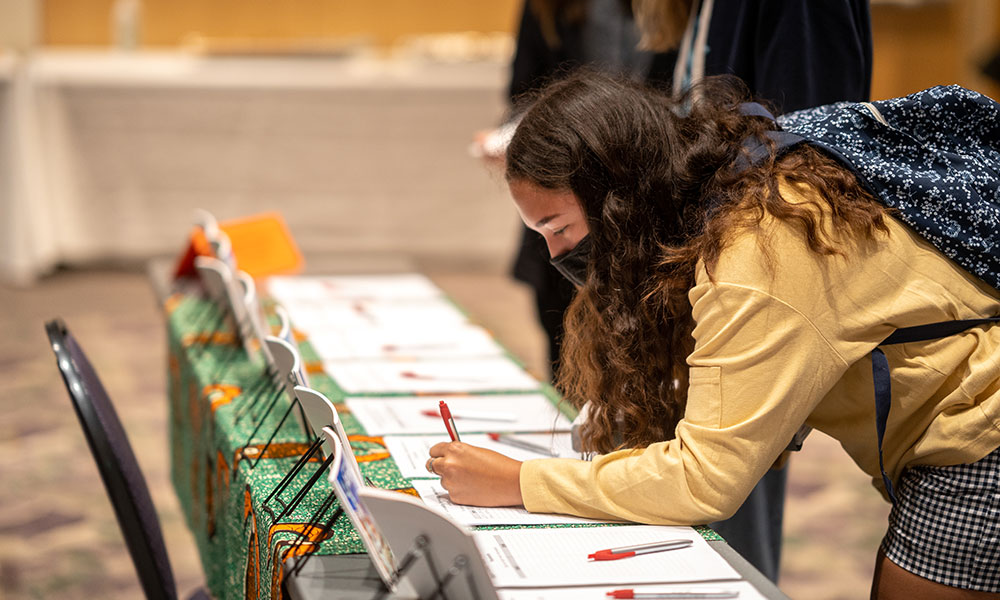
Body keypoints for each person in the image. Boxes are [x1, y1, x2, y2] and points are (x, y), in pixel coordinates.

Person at [432, 71, 1000, 597]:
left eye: (558, 228)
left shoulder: (759, 252)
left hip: (978, 439)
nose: (557, 255)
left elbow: (705, 481)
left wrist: (518, 480)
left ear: (618, 198)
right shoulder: (738, 179)